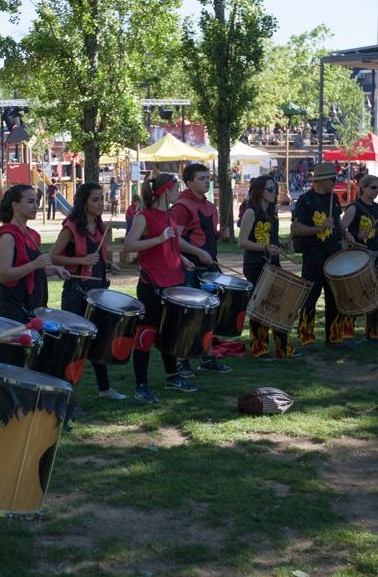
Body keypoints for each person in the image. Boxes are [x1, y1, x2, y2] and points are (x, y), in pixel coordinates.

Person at [123, 172, 197, 403]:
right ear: (166, 191)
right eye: (176, 190)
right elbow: (128, 246)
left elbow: (170, 244)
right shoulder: (143, 216)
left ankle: (172, 376)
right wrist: (159, 240)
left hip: (174, 280)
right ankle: (141, 385)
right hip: (152, 284)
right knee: (146, 333)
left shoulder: (170, 215)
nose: (179, 193)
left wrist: (182, 259)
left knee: (170, 332)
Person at [52, 182, 125, 399]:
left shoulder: (101, 227)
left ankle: (105, 389)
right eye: (95, 200)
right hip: (77, 290)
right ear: (84, 203)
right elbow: (54, 256)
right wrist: (81, 259)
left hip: (99, 290)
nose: (101, 203)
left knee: (99, 339)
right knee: (74, 343)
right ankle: (65, 393)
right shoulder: (71, 227)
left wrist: (109, 264)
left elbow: (99, 257)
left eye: (102, 199)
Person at [171, 163, 230, 374]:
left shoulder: (209, 206)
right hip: (189, 267)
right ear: (189, 182)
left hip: (209, 266)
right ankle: (182, 362)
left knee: (210, 314)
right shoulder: (181, 206)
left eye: (208, 177)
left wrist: (217, 236)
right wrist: (197, 253)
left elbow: (201, 236)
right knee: (190, 316)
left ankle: (206, 356)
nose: (207, 181)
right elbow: (174, 239)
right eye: (202, 178)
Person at [289, 164, 352, 348]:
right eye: (332, 179)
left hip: (333, 252)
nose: (335, 182)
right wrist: (320, 228)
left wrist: (345, 233)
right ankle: (306, 336)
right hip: (314, 254)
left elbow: (337, 221)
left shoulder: (333, 198)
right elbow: (296, 228)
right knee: (311, 296)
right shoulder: (305, 200)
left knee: (334, 295)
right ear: (321, 180)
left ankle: (334, 336)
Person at [0, 184, 69, 322]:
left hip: (35, 307)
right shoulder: (7, 236)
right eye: (30, 202)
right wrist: (34, 264)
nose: (36, 206)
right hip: (14, 310)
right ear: (15, 205)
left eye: (36, 202)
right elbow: (3, 275)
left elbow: (32, 272)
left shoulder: (32, 234)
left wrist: (54, 270)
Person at [239, 175, 296, 357]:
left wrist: (281, 243)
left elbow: (271, 239)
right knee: (260, 306)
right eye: (270, 189)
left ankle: (283, 348)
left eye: (275, 189)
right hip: (255, 264)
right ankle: (259, 348)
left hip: (273, 262)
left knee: (278, 303)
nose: (274, 193)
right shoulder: (250, 212)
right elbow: (243, 242)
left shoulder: (273, 212)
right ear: (259, 190)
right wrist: (264, 248)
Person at [342, 174, 378, 342]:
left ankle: (372, 332)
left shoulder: (375, 208)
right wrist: (356, 235)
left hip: (376, 254)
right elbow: (341, 231)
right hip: (359, 256)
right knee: (356, 294)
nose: (376, 191)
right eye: (373, 187)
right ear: (363, 187)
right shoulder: (354, 207)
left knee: (375, 294)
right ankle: (347, 333)